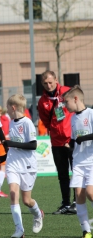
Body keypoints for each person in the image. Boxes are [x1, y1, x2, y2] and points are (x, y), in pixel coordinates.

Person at [3, 94, 44, 238]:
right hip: (13, 164)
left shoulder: (27, 123)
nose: (6, 110)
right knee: (13, 194)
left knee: (27, 201)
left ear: (13, 108)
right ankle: (19, 230)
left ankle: (38, 214)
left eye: (7, 107)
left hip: (27, 166)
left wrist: (11, 143)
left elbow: (33, 145)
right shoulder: (12, 122)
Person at [38, 70, 76, 215]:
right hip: (56, 142)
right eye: (45, 83)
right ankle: (65, 203)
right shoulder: (42, 101)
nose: (48, 85)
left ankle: (76, 202)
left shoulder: (67, 92)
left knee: (76, 172)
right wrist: (55, 130)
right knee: (62, 174)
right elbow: (45, 121)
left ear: (56, 80)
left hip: (71, 140)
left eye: (50, 82)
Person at [63, 86, 93, 238]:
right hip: (78, 162)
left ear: (75, 99)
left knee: (91, 193)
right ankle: (86, 231)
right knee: (79, 195)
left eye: (66, 102)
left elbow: (85, 137)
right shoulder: (73, 118)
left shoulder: (91, 113)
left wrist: (83, 138)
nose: (64, 105)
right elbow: (76, 139)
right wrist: (70, 145)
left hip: (91, 161)